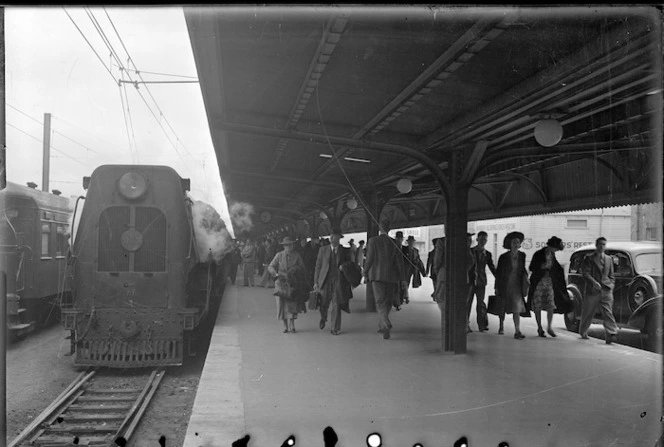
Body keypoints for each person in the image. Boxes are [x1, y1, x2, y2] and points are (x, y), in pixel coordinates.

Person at [364, 221, 405, 339]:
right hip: (392, 277)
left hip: (377, 276)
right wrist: (402, 279)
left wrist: (365, 271)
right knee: (387, 301)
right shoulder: (395, 243)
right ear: (389, 229)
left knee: (380, 301)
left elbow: (369, 258)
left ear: (380, 228)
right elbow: (399, 263)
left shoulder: (373, 241)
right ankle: (382, 325)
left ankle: (386, 324)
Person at [527, 236, 571, 338]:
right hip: (538, 282)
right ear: (551, 246)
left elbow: (556, 268)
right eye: (555, 248)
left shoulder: (552, 255)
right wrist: (541, 267)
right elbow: (531, 267)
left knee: (550, 304)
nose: (555, 250)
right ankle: (539, 327)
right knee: (537, 305)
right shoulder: (538, 254)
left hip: (549, 282)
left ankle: (549, 327)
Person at [579, 237, 619, 344]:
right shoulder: (589, 258)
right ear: (596, 245)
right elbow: (585, 273)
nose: (602, 246)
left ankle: (611, 334)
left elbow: (611, 275)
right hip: (593, 290)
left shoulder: (609, 259)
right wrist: (593, 282)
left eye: (604, 244)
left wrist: (611, 285)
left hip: (606, 289)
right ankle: (583, 331)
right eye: (600, 244)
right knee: (588, 311)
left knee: (608, 312)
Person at [314, 229, 353, 335]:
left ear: (339, 238)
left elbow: (351, 264)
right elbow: (318, 266)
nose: (331, 238)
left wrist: (343, 266)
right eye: (331, 236)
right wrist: (316, 282)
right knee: (323, 303)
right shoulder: (323, 250)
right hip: (324, 281)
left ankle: (335, 328)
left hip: (338, 281)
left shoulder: (345, 251)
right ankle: (323, 318)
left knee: (336, 305)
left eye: (334, 236)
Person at [268, 236, 307, 333]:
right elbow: (271, 266)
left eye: (290, 245)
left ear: (293, 245)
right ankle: (285, 326)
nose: (288, 247)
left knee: (292, 304)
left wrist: (296, 270)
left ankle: (292, 325)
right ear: (283, 246)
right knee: (281, 304)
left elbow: (302, 268)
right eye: (286, 245)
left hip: (292, 283)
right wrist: (276, 274)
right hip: (281, 283)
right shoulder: (279, 255)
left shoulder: (297, 255)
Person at [495, 231, 529, 339]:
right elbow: (499, 273)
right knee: (503, 306)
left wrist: (526, 279)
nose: (516, 244)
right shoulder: (503, 257)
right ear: (510, 244)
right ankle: (501, 326)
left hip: (517, 284)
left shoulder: (522, 256)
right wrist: (496, 287)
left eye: (518, 242)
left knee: (517, 307)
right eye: (514, 242)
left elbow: (522, 269)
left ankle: (517, 330)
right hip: (505, 284)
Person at [467, 231, 496, 332]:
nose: (483, 241)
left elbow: (492, 267)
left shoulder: (487, 254)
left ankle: (482, 325)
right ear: (477, 240)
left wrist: (499, 278)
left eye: (485, 239)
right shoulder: (470, 251)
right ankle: (465, 323)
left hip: (481, 282)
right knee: (467, 303)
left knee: (481, 303)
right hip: (470, 281)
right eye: (481, 239)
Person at [403, 235, 424, 305]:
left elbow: (419, 260)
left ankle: (405, 295)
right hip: (406, 268)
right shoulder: (404, 249)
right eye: (410, 242)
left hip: (414, 268)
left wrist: (422, 271)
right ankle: (406, 296)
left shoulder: (416, 250)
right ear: (408, 242)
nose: (411, 243)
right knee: (406, 282)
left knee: (411, 281)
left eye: (412, 242)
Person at [394, 231, 406, 309]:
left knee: (400, 288)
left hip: (402, 271)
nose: (400, 240)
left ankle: (399, 302)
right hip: (395, 271)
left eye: (401, 238)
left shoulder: (403, 248)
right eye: (398, 238)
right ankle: (397, 304)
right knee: (396, 288)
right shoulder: (394, 247)